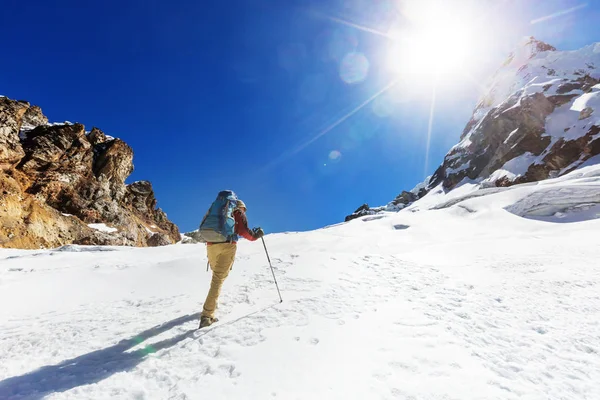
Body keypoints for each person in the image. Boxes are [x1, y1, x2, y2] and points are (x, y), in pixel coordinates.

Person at [200, 199, 264, 328]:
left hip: (211, 245)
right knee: (218, 279)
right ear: (241, 207)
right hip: (227, 245)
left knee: (217, 275)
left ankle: (212, 303)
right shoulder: (238, 212)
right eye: (244, 209)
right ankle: (207, 315)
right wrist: (256, 236)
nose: (244, 212)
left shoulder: (217, 211)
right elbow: (244, 231)